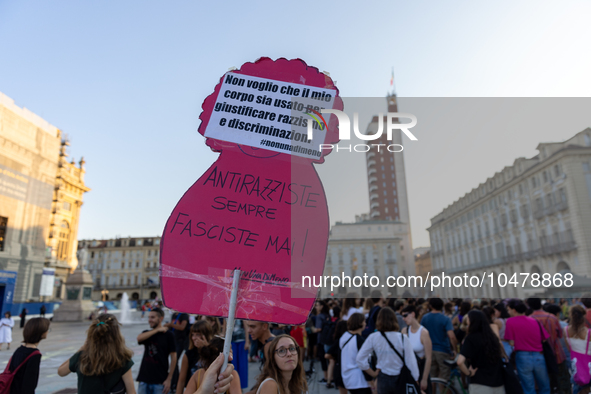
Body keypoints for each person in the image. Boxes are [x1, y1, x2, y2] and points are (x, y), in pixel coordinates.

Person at [57, 314, 135, 394]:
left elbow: (61, 372)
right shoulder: (123, 359)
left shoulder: (82, 356)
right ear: (117, 335)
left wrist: (80, 350)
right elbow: (131, 392)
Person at [357, 307, 420, 394]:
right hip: (400, 377)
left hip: (383, 377)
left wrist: (373, 373)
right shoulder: (402, 338)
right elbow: (411, 361)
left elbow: (360, 359)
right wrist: (415, 379)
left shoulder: (373, 337)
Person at [505, 299, 550, 394]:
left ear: (514, 310)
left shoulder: (510, 321)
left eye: (508, 310)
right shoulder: (534, 321)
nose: (508, 312)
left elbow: (511, 343)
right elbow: (544, 338)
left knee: (528, 387)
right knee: (544, 386)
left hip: (522, 356)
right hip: (539, 356)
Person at [527, 297, 570, 394]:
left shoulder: (529, 319)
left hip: (539, 355)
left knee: (545, 383)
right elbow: (559, 335)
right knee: (562, 380)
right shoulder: (552, 317)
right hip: (557, 353)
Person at [457, 310, 506, 394]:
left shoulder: (470, 338)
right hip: (498, 382)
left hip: (479, 383)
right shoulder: (492, 337)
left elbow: (460, 362)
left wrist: (468, 373)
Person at [136, 308, 177, 394]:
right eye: (149, 317)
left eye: (152, 317)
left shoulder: (169, 335)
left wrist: (169, 379)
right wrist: (157, 330)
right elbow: (139, 338)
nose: (149, 320)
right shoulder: (147, 333)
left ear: (161, 318)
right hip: (144, 380)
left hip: (160, 381)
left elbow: (174, 357)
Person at [6, 317, 50, 394]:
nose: (48, 331)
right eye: (47, 329)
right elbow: (29, 385)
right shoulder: (35, 355)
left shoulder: (20, 349)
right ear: (41, 332)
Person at [421, 298, 457, 382]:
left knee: (432, 377)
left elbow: (421, 333)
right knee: (444, 377)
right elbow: (451, 336)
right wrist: (455, 350)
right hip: (443, 350)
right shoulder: (445, 319)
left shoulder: (425, 318)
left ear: (430, 306)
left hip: (429, 350)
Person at [401, 305, 433, 394]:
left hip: (420, 369)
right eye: (402, 316)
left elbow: (428, 358)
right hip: (408, 371)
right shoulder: (404, 331)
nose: (403, 319)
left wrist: (424, 379)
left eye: (405, 315)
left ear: (413, 314)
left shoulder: (423, 333)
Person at [339, 313, 371, 394]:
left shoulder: (345, 336)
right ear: (360, 323)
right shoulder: (359, 340)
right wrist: (371, 380)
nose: (365, 323)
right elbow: (363, 362)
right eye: (364, 321)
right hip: (360, 380)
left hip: (348, 378)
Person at [177, 320, 214, 393]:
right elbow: (181, 381)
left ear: (206, 335)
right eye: (192, 334)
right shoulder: (189, 354)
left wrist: (206, 349)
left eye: (197, 334)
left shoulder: (215, 352)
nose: (194, 338)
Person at [565, 305, 591, 394]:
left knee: (577, 389)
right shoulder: (589, 333)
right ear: (583, 316)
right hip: (589, 366)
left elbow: (569, 349)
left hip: (577, 368)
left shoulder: (566, 331)